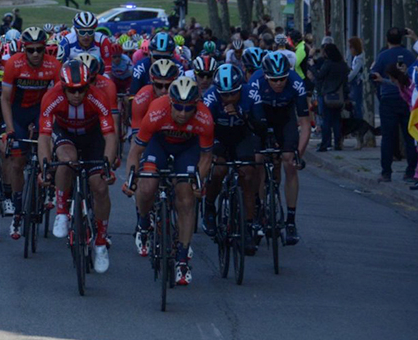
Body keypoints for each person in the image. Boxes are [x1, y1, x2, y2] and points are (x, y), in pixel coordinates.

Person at [123, 77, 212, 286]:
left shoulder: (205, 117)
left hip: (187, 149)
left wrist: (199, 182)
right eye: (178, 107)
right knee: (147, 187)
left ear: (196, 105)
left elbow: (206, 158)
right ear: (170, 102)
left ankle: (182, 259)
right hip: (158, 145)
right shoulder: (156, 111)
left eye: (188, 108)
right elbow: (135, 152)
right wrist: (130, 179)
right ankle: (144, 222)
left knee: (186, 199)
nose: (182, 113)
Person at [40, 60, 118, 272]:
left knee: (99, 186)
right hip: (64, 134)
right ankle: (62, 212)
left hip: (92, 137)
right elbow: (44, 137)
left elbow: (110, 136)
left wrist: (107, 166)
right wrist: (45, 166)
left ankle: (100, 243)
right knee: (67, 159)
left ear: (88, 86)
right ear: (63, 87)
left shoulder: (98, 97)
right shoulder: (52, 97)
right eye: (71, 91)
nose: (76, 95)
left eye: (81, 90)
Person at [1, 27, 62, 239]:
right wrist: (10, 129)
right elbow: (5, 99)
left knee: (51, 143)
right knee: (17, 163)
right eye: (31, 50)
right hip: (18, 113)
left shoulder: (54, 65)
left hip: (41, 111)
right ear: (24, 50)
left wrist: (50, 127)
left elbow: (58, 99)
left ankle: (48, 180)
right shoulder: (13, 64)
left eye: (39, 49)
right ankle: (18, 213)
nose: (35, 54)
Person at [201, 64, 263, 255]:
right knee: (219, 170)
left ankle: (248, 226)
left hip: (242, 136)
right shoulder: (210, 97)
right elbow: (203, 128)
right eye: (224, 95)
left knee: (248, 174)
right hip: (219, 136)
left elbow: (260, 127)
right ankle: (210, 207)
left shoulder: (251, 94)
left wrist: (242, 114)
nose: (228, 98)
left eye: (233, 94)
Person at [249, 52, 311, 245]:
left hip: (284, 118)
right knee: (257, 161)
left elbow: (305, 124)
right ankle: (259, 210)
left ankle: (291, 221)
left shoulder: (296, 83)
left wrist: (298, 155)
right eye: (274, 79)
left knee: (289, 163)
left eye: (282, 79)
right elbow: (252, 117)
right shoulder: (255, 81)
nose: (278, 83)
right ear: (265, 75)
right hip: (261, 116)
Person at [370, 27, 417, 182]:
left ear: (386, 39)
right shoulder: (410, 55)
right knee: (411, 136)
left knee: (388, 137)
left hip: (388, 99)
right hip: (407, 100)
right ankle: (411, 171)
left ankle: (386, 172)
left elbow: (374, 74)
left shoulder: (383, 56)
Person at [314, 43, 350, 152]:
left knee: (326, 121)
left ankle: (325, 143)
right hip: (339, 96)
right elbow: (345, 81)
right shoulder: (343, 65)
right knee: (336, 121)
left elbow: (320, 76)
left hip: (327, 95)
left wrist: (312, 67)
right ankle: (338, 143)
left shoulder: (328, 64)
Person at [348, 37, 365, 121]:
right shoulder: (357, 58)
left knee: (357, 104)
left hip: (358, 83)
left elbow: (354, 73)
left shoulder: (359, 59)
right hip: (356, 83)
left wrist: (346, 79)